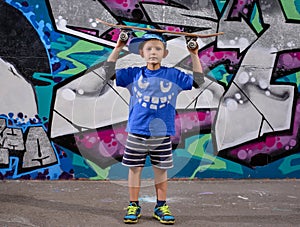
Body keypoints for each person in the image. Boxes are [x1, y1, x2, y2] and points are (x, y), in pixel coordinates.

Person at [103, 32, 205, 224]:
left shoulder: (173, 75)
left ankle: (161, 206)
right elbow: (108, 72)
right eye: (149, 49)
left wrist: (194, 53)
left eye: (158, 49)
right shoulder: (133, 74)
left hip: (162, 134)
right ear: (141, 53)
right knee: (135, 169)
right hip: (137, 131)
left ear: (165, 53)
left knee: (161, 170)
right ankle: (133, 205)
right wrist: (118, 47)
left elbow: (199, 82)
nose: (153, 52)